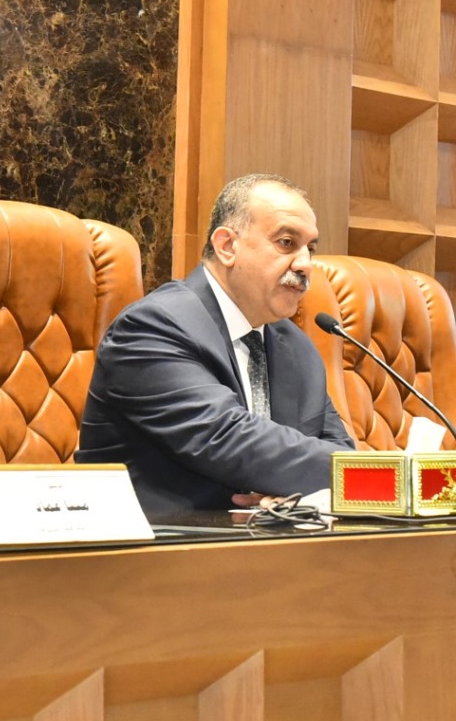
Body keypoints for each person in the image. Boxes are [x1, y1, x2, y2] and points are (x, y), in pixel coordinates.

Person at [76, 174, 356, 516]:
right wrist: (360, 474)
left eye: (309, 249)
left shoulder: (295, 345)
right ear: (227, 246)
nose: (305, 265)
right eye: (286, 243)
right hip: (157, 541)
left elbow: (337, 447)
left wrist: (297, 495)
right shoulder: (153, 326)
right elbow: (227, 438)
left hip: (267, 542)